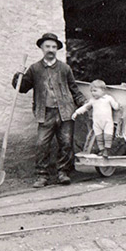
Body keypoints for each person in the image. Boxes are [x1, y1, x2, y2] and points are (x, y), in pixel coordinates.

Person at [12, 33, 86, 188]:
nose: (51, 49)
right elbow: (22, 88)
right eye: (47, 46)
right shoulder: (35, 69)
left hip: (65, 112)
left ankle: (63, 173)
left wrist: (84, 103)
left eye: (53, 47)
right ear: (41, 48)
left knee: (66, 143)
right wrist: (18, 76)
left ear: (57, 49)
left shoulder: (65, 68)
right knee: (41, 144)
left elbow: (74, 89)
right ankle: (42, 176)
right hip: (45, 113)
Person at [72, 80, 120, 157]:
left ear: (103, 90)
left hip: (107, 121)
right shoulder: (92, 101)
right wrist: (76, 112)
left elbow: (115, 106)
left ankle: (107, 150)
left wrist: (118, 106)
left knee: (108, 135)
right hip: (97, 122)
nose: (93, 93)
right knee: (99, 137)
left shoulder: (108, 98)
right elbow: (85, 107)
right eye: (91, 91)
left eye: (95, 91)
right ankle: (102, 150)